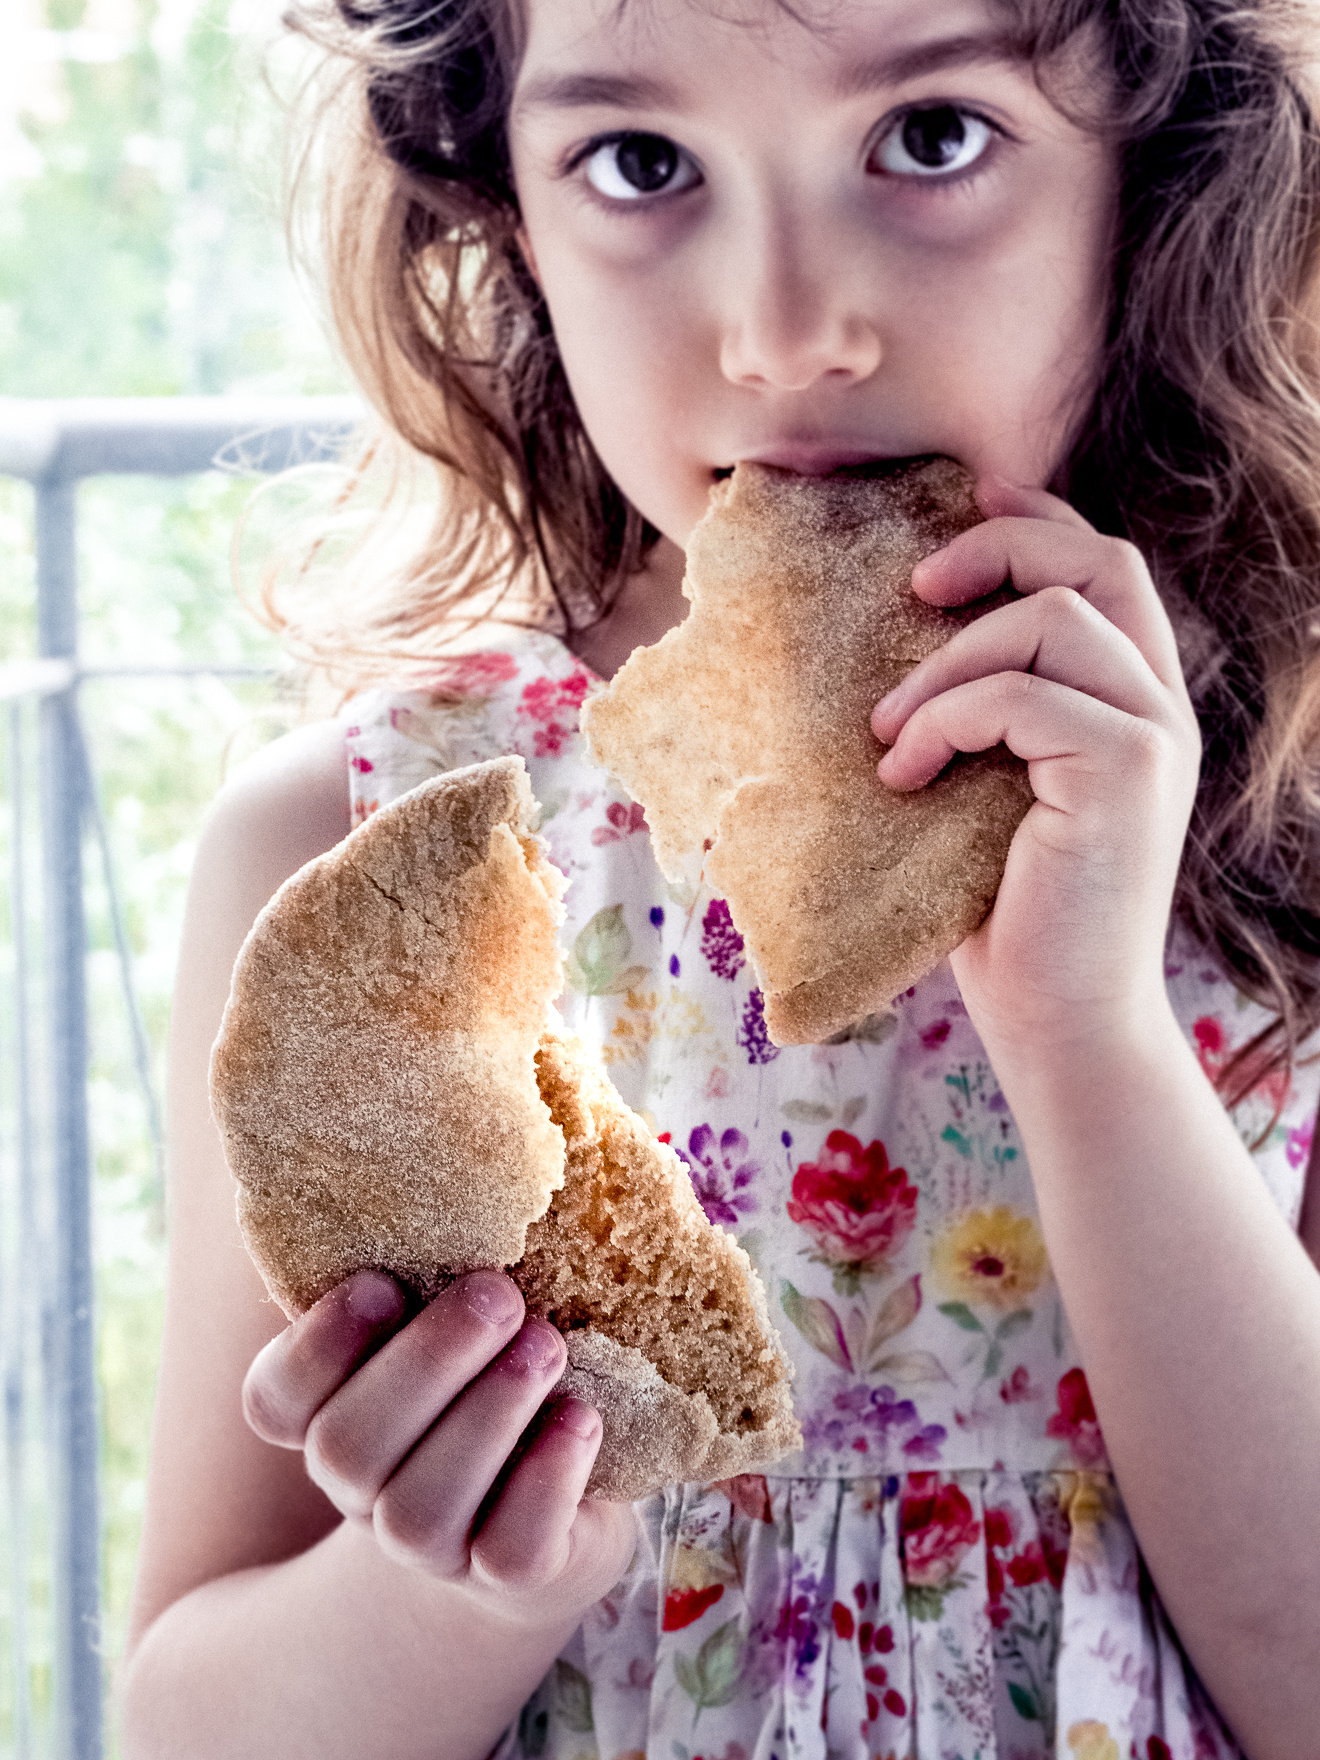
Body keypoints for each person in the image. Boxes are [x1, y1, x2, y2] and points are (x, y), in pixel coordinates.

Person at [118, 1, 1320, 1756]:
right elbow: (192, 1728)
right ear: (514, 214)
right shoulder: (362, 849)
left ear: (1154, 169)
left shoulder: (1282, 807)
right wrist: (460, 1574)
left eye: (929, 139)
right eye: (641, 162)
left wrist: (1088, 1035)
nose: (786, 333)